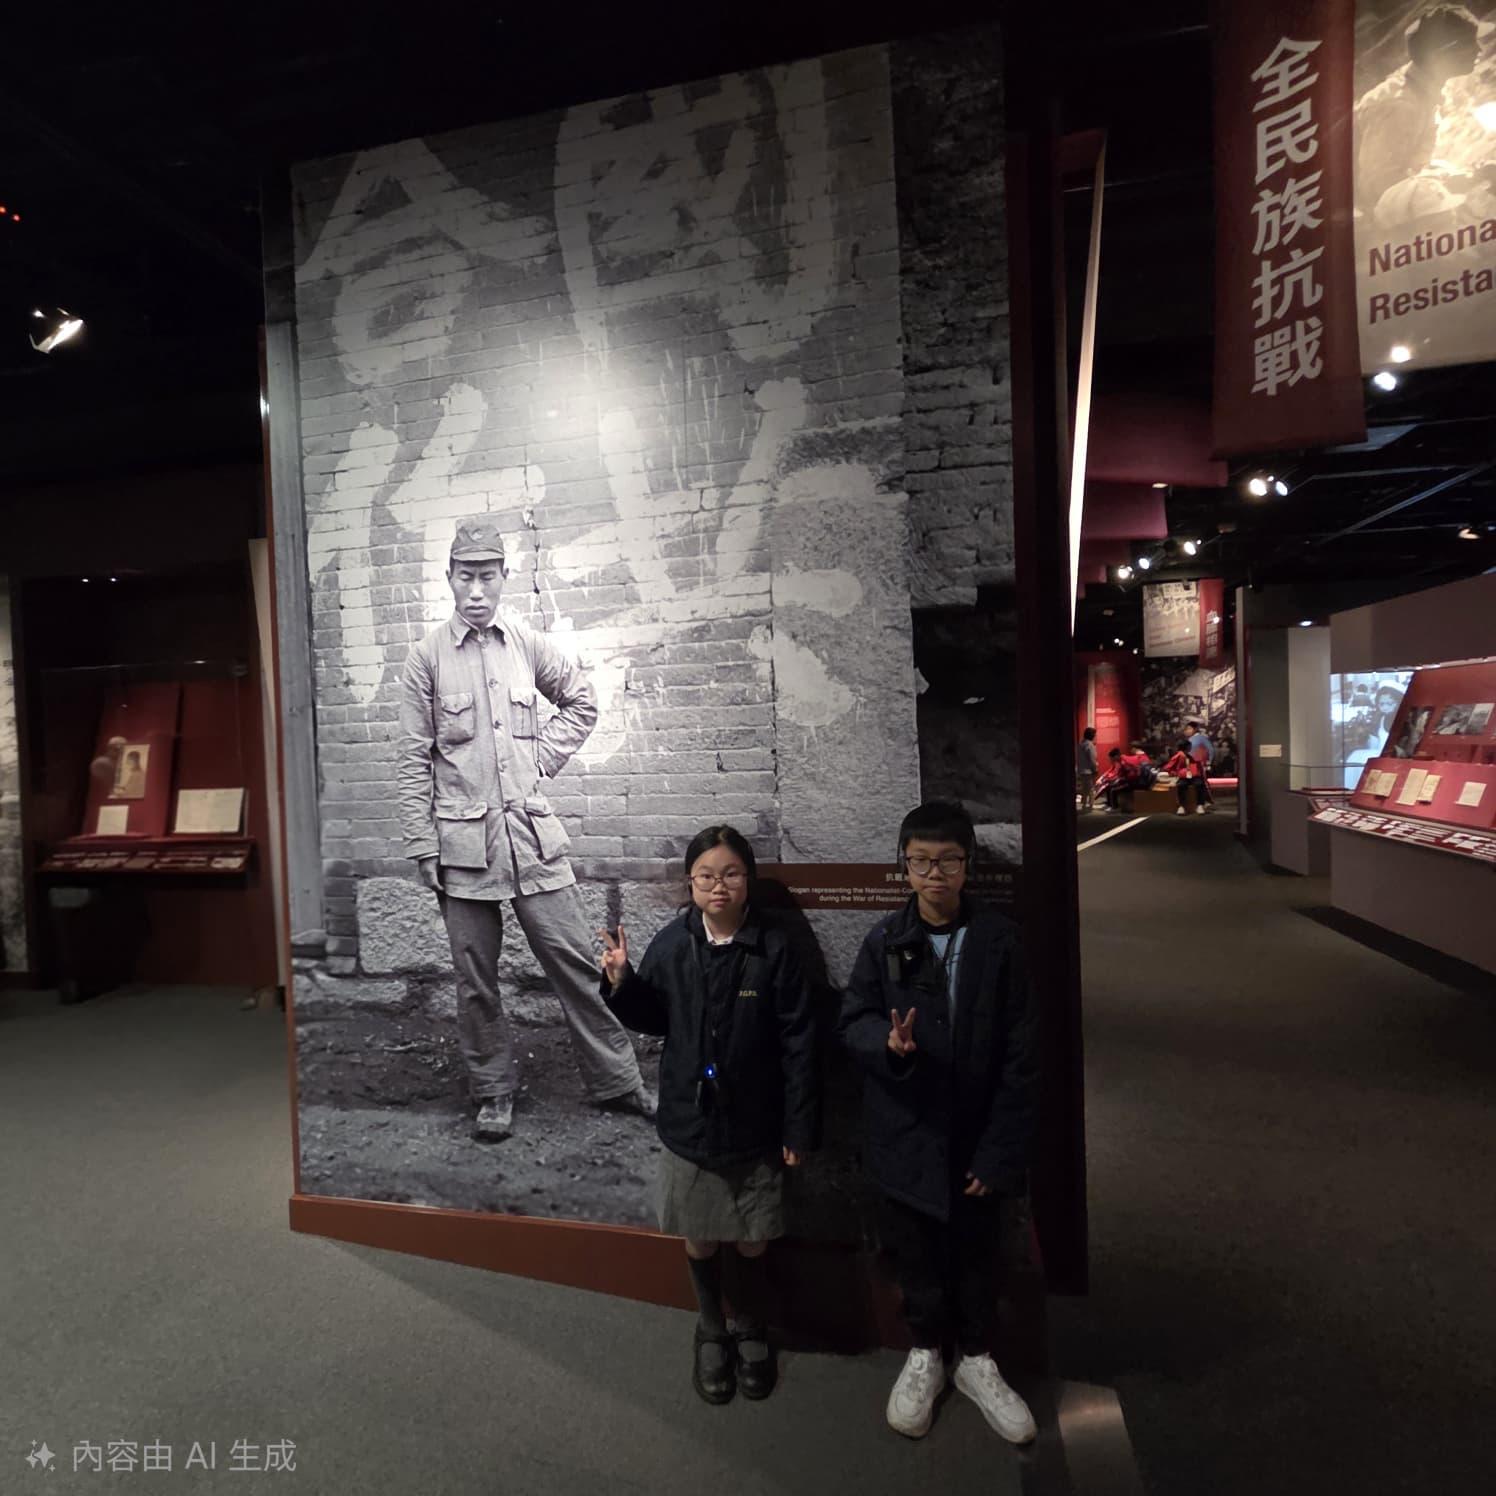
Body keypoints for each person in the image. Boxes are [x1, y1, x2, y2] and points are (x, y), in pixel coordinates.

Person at [397, 517, 656, 1142]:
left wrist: (537, 760)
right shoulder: (426, 658)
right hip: (462, 848)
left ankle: (619, 1081)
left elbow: (582, 702)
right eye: (466, 577)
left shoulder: (527, 644)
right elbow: (412, 759)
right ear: (449, 578)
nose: (477, 590)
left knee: (577, 964)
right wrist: (422, 843)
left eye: (488, 576)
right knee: (475, 982)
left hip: (533, 840)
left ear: (504, 577)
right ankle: (493, 1093)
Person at [837, 800, 1039, 1446]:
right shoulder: (884, 941)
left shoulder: (1001, 943)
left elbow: (1024, 1054)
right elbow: (853, 1020)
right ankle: (925, 1351)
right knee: (915, 1252)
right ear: (903, 866)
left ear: (968, 865)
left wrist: (1001, 1150)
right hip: (906, 1134)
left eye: (948, 861)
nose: (934, 875)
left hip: (977, 1137)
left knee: (979, 1251)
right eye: (921, 862)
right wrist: (887, 1045)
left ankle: (977, 1358)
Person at [599, 825, 816, 1405]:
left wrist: (798, 1127)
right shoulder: (673, 944)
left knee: (752, 1237)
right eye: (706, 876)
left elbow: (799, 1042)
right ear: (690, 882)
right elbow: (653, 1019)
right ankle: (711, 1327)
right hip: (689, 1119)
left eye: (731, 874)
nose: (719, 886)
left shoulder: (775, 948)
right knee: (699, 1236)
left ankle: (750, 1324)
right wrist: (621, 982)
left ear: (749, 879)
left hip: (756, 1121)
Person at [1355, 5, 1485, 228]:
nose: (1478, 50)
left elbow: (1408, 164)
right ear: (1439, 54)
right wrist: (1447, 185)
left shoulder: (1422, 90)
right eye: (1467, 43)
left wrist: (1460, 174)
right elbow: (1378, 191)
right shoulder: (1401, 106)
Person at [1162, 739, 1203, 816]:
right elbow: (1167, 768)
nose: (1191, 747)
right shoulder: (1178, 755)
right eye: (1190, 746)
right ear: (1186, 746)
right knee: (1181, 785)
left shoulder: (1188, 756)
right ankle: (1181, 806)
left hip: (1193, 776)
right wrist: (1176, 773)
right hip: (1183, 776)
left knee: (1199, 784)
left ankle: (1200, 805)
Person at [1186, 721, 1215, 812]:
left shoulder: (1201, 738)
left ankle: (1206, 801)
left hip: (1200, 764)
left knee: (1202, 783)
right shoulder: (1189, 739)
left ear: (1195, 729)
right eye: (1187, 729)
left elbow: (1210, 749)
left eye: (1189, 728)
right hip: (1191, 765)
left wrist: (1209, 762)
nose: (1187, 731)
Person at [1076, 726, 1098, 812]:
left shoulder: (1080, 744)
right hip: (1088, 770)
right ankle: (1091, 805)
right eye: (1095, 735)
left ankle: (1084, 804)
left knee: (1084, 789)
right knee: (1090, 788)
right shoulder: (1090, 745)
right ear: (1092, 735)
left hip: (1081, 770)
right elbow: (1092, 759)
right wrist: (1095, 769)